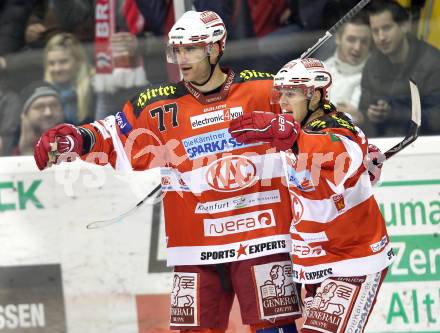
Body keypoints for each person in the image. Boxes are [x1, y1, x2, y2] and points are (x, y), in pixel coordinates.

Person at [33, 10, 302, 333]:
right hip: (196, 248)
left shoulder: (266, 91)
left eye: (191, 49)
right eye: (176, 50)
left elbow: (321, 132)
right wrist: (75, 139)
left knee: (274, 330)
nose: (182, 58)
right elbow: (112, 136)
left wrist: (289, 128)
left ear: (216, 49)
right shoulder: (156, 105)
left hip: (264, 240)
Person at [229, 57, 393, 332]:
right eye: (280, 94)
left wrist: (292, 136)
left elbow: (341, 151)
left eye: (291, 94)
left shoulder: (339, 125)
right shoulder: (298, 133)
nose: (282, 103)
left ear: (315, 95)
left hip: (353, 261)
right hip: (315, 262)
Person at [359, 0, 440, 136]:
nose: (381, 37)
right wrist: (369, 116)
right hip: (383, 145)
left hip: (423, 146)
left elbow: (437, 118)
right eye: (375, 31)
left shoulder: (432, 62)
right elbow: (364, 109)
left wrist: (394, 114)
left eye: (386, 28)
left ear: (404, 25)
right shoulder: (371, 65)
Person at [324, 13, 372, 125]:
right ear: (338, 39)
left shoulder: (376, 78)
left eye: (364, 42)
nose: (357, 47)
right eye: (351, 39)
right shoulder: (321, 70)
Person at [43, 32, 95, 125]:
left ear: (78, 62)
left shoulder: (94, 90)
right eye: (51, 63)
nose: (57, 68)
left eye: (63, 62)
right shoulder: (42, 94)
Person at [17, 81, 64, 155]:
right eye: (39, 107)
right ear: (25, 115)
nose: (48, 113)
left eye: (54, 105)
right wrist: (27, 150)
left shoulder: (81, 144)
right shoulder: (8, 154)